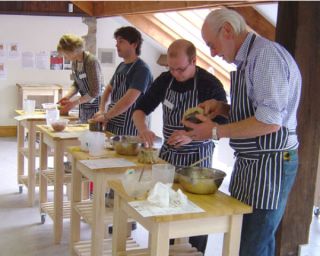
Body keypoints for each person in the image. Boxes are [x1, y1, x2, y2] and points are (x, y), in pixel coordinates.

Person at [183, 8, 302, 256]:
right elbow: (258, 111)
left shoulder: (265, 55)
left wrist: (216, 131)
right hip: (252, 164)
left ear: (227, 30)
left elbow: (270, 122)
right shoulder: (249, 59)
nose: (213, 53)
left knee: (253, 244)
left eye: (212, 45)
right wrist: (223, 108)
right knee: (242, 240)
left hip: (272, 164)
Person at [132, 39, 227, 254]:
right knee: (164, 210)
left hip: (197, 157)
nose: (175, 74)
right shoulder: (165, 80)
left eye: (181, 69)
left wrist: (190, 136)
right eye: (171, 69)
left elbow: (221, 123)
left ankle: (195, 251)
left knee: (195, 214)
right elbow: (140, 109)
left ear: (193, 61)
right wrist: (143, 129)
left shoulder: (209, 84)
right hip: (168, 156)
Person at [92, 26, 153, 135]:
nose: (116, 45)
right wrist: (102, 109)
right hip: (113, 122)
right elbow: (108, 89)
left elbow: (128, 101)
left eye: (121, 41)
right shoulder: (121, 65)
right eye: (117, 41)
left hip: (131, 128)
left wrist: (105, 116)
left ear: (134, 44)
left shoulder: (141, 69)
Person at [57, 34, 103, 123]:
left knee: (92, 134)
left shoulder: (91, 61)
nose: (64, 57)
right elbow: (76, 84)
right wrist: (67, 97)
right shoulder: (75, 62)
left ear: (73, 50)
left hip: (96, 106)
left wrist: (74, 103)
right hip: (84, 104)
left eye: (65, 53)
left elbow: (95, 91)